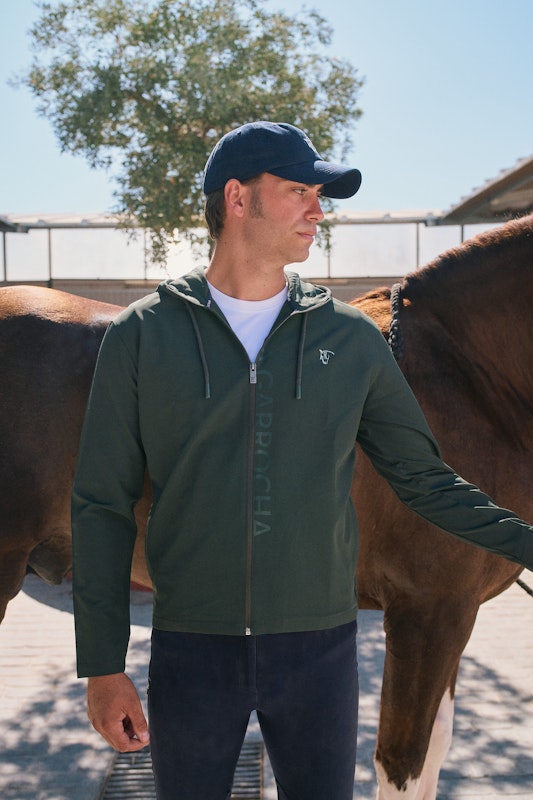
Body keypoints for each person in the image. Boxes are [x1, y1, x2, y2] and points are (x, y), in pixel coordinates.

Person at [72, 121, 533, 800]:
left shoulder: (350, 338)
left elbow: (426, 479)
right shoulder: (143, 334)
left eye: (320, 196)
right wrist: (103, 666)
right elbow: (100, 505)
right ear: (238, 198)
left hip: (319, 656)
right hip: (192, 650)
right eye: (298, 191)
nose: (318, 211)